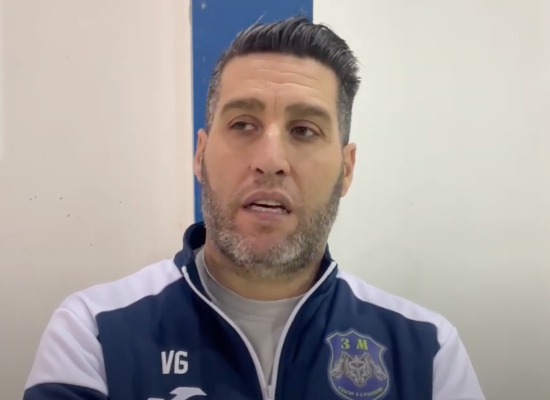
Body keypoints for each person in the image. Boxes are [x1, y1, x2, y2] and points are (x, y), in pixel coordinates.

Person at [23, 16, 485, 400]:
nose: (270, 160)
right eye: (243, 124)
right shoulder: (94, 332)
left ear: (346, 170)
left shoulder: (427, 352)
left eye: (304, 130)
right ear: (200, 155)